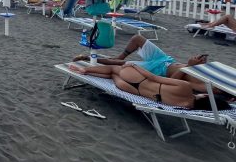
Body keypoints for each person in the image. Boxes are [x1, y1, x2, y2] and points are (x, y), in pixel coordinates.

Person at [73, 34, 210, 92]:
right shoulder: (208, 73)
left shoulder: (204, 86)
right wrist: (198, 63)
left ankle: (88, 58)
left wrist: (188, 66)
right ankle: (118, 57)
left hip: (157, 71)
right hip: (165, 59)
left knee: (121, 66)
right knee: (137, 38)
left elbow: (171, 82)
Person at [67, 62, 231, 110]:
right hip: (131, 89)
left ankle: (85, 69)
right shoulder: (185, 106)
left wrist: (135, 67)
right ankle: (86, 72)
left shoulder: (185, 88)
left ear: (207, 96)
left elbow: (153, 77)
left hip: (141, 80)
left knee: (115, 69)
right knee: (112, 75)